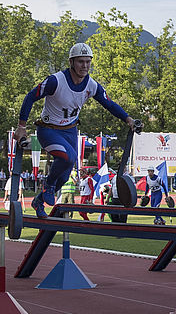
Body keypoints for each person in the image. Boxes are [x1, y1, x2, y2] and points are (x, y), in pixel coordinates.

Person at [16, 42, 136, 219]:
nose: (85, 66)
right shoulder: (55, 80)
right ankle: (48, 185)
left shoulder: (92, 85)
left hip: (70, 131)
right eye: (81, 62)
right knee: (68, 157)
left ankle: (38, 201)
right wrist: (21, 127)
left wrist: (128, 119)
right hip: (48, 130)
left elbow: (109, 104)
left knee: (64, 177)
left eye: (88, 62)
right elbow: (29, 97)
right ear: (71, 62)